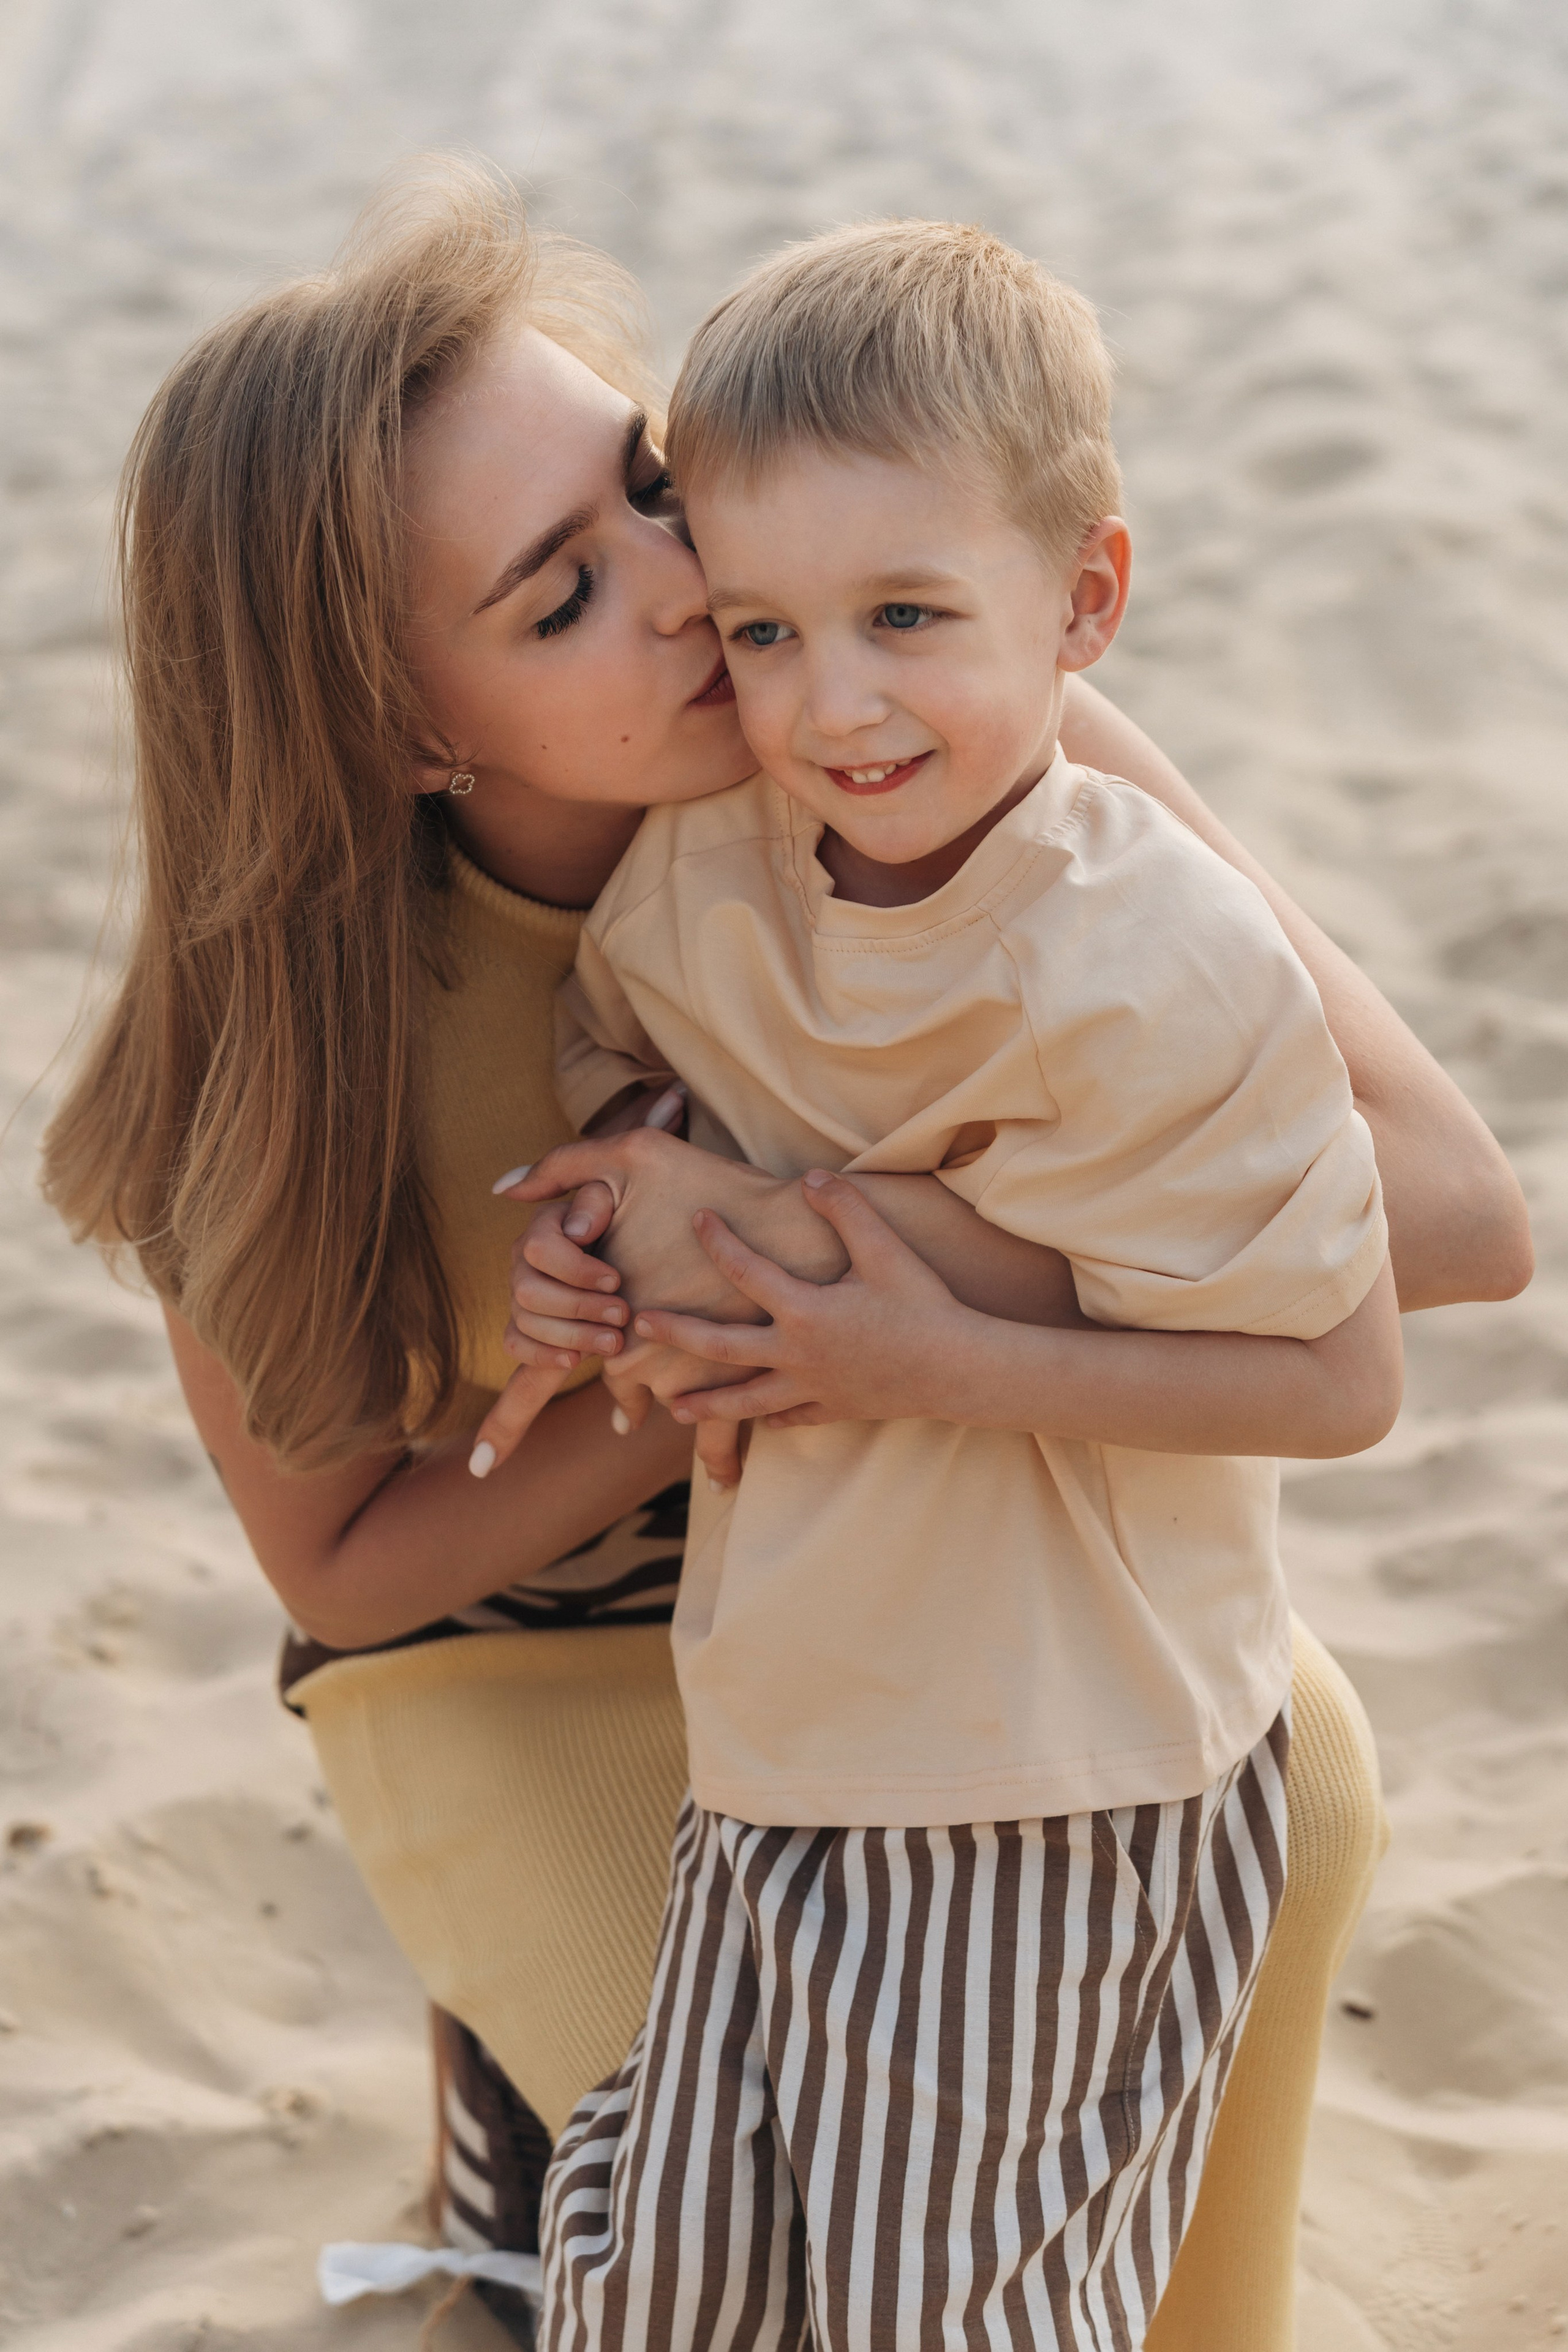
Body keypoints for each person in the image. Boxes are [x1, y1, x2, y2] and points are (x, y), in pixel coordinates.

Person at [35, 167, 1530, 2352]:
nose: (692, 582)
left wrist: (865, 1283)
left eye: (649, 490)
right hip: (529, 1643)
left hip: (960, 1527)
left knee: (1294, 1798)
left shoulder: (928, 735)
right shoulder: (259, 1055)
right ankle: (508, 2136)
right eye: (562, 595)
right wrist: (712, 1353)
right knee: (742, 2173)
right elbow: (343, 1577)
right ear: (403, 726)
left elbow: (1457, 1217)